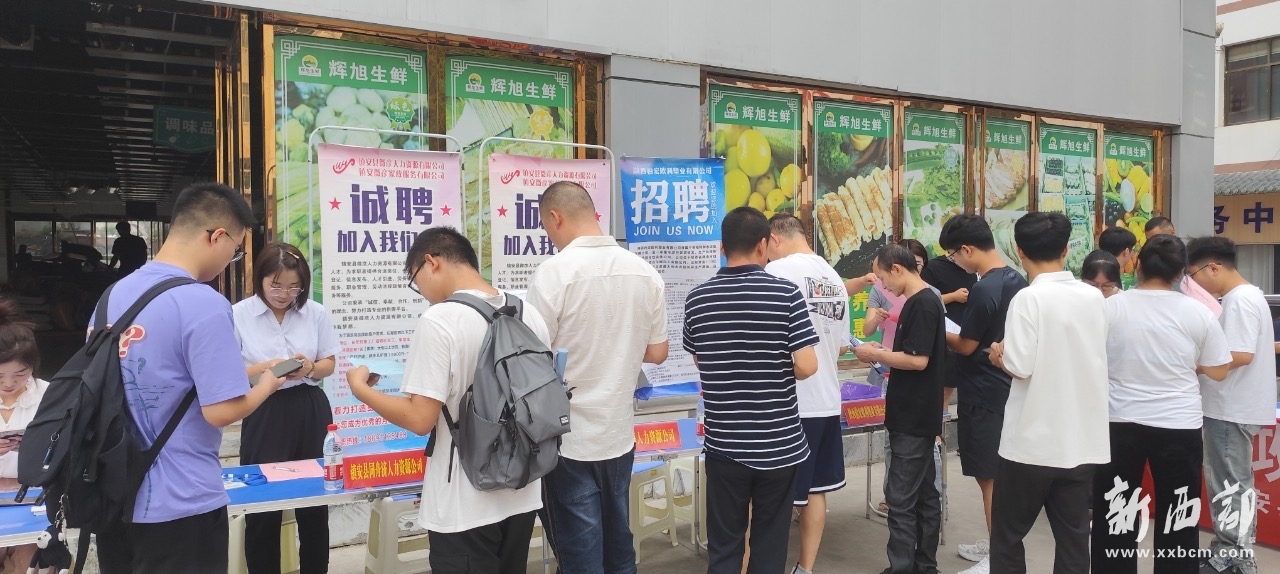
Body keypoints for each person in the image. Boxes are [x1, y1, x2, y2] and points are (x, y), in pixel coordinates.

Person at [95, 182, 286, 574]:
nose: (231, 260)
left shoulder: (112, 296)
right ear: (217, 236)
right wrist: (268, 384)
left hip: (113, 496)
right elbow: (221, 410)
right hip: (182, 501)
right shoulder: (203, 303)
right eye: (236, 250)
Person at [347, 227, 549, 573]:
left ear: (431, 263)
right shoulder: (527, 313)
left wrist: (361, 390)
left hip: (464, 503)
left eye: (416, 282)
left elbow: (419, 418)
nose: (422, 293)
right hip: (523, 490)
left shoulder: (439, 320)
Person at [524, 181, 668, 574]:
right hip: (618, 435)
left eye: (547, 228)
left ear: (556, 217)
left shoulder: (553, 273)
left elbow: (532, 358)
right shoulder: (645, 272)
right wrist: (619, 344)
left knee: (580, 555)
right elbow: (658, 352)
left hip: (567, 440)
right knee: (619, 544)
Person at [683, 206, 819, 574]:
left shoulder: (698, 298)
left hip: (725, 445)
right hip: (779, 444)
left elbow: (700, 359)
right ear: (763, 245)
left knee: (725, 543)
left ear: (722, 247)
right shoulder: (786, 295)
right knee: (770, 541)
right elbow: (808, 365)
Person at [1090, 234, 1231, 574]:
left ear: (1137, 265)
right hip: (1178, 425)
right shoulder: (1198, 313)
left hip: (1119, 421)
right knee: (1178, 515)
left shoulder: (1111, 308)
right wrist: (1186, 363)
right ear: (1181, 272)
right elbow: (1220, 370)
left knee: (1116, 512)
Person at [985, 213, 1109, 574]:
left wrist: (998, 355)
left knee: (1008, 537)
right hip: (1082, 441)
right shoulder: (1093, 297)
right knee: (1073, 539)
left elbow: (1020, 365)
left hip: (1031, 442)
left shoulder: (1029, 298)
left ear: (1019, 252)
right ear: (1066, 249)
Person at [232, 243, 340, 574]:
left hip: (310, 408)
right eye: (276, 286)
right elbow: (228, 371)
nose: (284, 295)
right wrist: (266, 368)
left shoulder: (315, 312)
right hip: (262, 407)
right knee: (263, 502)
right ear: (260, 280)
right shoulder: (238, 314)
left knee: (314, 502)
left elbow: (329, 363)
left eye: (294, 287)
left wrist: (309, 367)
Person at [937, 214, 1028, 574]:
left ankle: (999, 558)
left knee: (990, 478)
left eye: (953, 255)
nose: (954, 262)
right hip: (1007, 389)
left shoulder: (984, 288)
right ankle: (997, 545)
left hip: (984, 392)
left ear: (967, 249)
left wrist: (937, 327)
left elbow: (965, 345)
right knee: (999, 475)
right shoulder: (1016, 280)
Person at [764, 214, 850, 574]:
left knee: (770, 497)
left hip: (788, 405)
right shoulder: (834, 278)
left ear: (774, 239)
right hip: (827, 400)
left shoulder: (776, 273)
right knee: (815, 491)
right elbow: (841, 347)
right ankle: (805, 568)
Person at [1185, 236, 1276, 574]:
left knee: (1229, 484)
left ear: (1213, 267)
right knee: (1233, 481)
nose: (1195, 285)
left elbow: (1240, 354)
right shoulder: (1247, 296)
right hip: (1234, 405)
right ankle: (1231, 550)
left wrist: (1195, 364)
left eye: (1194, 276)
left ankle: (1235, 557)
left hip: (1230, 407)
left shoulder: (1239, 300)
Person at [853, 244, 946, 574]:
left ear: (897, 269)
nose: (882, 286)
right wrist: (882, 350)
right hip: (917, 412)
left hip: (913, 415)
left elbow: (918, 361)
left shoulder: (922, 303)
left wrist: (875, 354)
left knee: (901, 497)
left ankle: (903, 567)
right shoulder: (921, 301)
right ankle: (924, 566)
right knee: (924, 495)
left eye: (882, 278)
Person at [0, 297, 50, 572]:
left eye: (20, 374)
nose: (9, 383)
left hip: (35, 497)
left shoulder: (48, 395)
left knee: (32, 561)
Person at [920, 241, 977, 421]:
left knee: (953, 387)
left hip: (967, 336)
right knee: (940, 390)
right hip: (944, 336)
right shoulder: (934, 268)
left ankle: (945, 426)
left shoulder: (974, 269)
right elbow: (923, 300)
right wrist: (953, 296)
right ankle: (938, 429)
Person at [1145, 217, 1222, 317]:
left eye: (1158, 237)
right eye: (1149, 240)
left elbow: (1212, 285)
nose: (1154, 244)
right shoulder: (1149, 258)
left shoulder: (1192, 253)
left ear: (1172, 232)